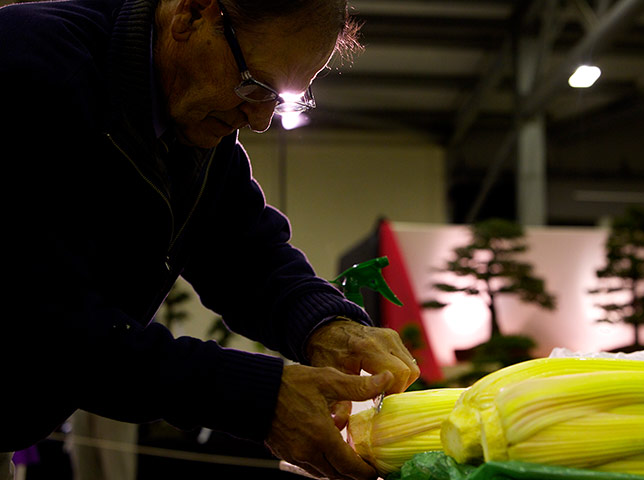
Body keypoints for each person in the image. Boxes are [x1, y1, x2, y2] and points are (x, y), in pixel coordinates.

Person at [0, 0, 421, 478]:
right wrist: (259, 396)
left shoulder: (189, 121)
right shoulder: (31, 66)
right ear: (192, 14)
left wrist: (327, 327)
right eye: (254, 85)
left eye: (283, 99)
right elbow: (37, 322)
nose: (260, 120)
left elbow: (244, 252)